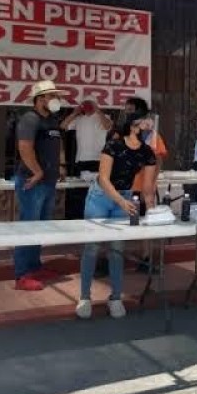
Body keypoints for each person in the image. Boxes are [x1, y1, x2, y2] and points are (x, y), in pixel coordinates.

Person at [75, 110, 157, 319]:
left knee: (117, 249)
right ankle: (84, 297)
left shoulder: (148, 153)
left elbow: (147, 187)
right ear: (133, 126)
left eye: (150, 125)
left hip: (125, 197)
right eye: (145, 124)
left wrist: (154, 211)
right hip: (101, 196)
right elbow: (103, 178)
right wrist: (121, 201)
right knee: (92, 246)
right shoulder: (113, 145)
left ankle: (116, 297)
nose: (149, 128)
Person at [13, 80, 67, 291]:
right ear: (40, 98)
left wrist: (60, 165)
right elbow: (25, 147)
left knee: (40, 227)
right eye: (52, 95)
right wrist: (37, 172)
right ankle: (22, 274)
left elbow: (58, 143)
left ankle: (34, 267)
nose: (56, 99)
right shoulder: (29, 119)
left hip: (48, 182)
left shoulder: (52, 120)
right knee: (28, 227)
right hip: (32, 182)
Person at [60, 99, 113, 220]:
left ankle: (97, 214)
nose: (88, 107)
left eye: (90, 104)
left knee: (98, 189)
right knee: (81, 190)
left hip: (99, 160)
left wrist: (98, 110)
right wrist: (75, 112)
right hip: (82, 160)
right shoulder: (79, 119)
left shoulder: (104, 117)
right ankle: (81, 216)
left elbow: (108, 126)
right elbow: (63, 126)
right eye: (86, 105)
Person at [131, 112, 169, 272]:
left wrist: (153, 182)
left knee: (147, 223)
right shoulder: (129, 136)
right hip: (129, 187)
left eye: (149, 121)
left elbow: (159, 159)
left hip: (147, 189)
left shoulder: (154, 137)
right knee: (126, 223)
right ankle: (112, 259)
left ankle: (145, 258)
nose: (147, 124)